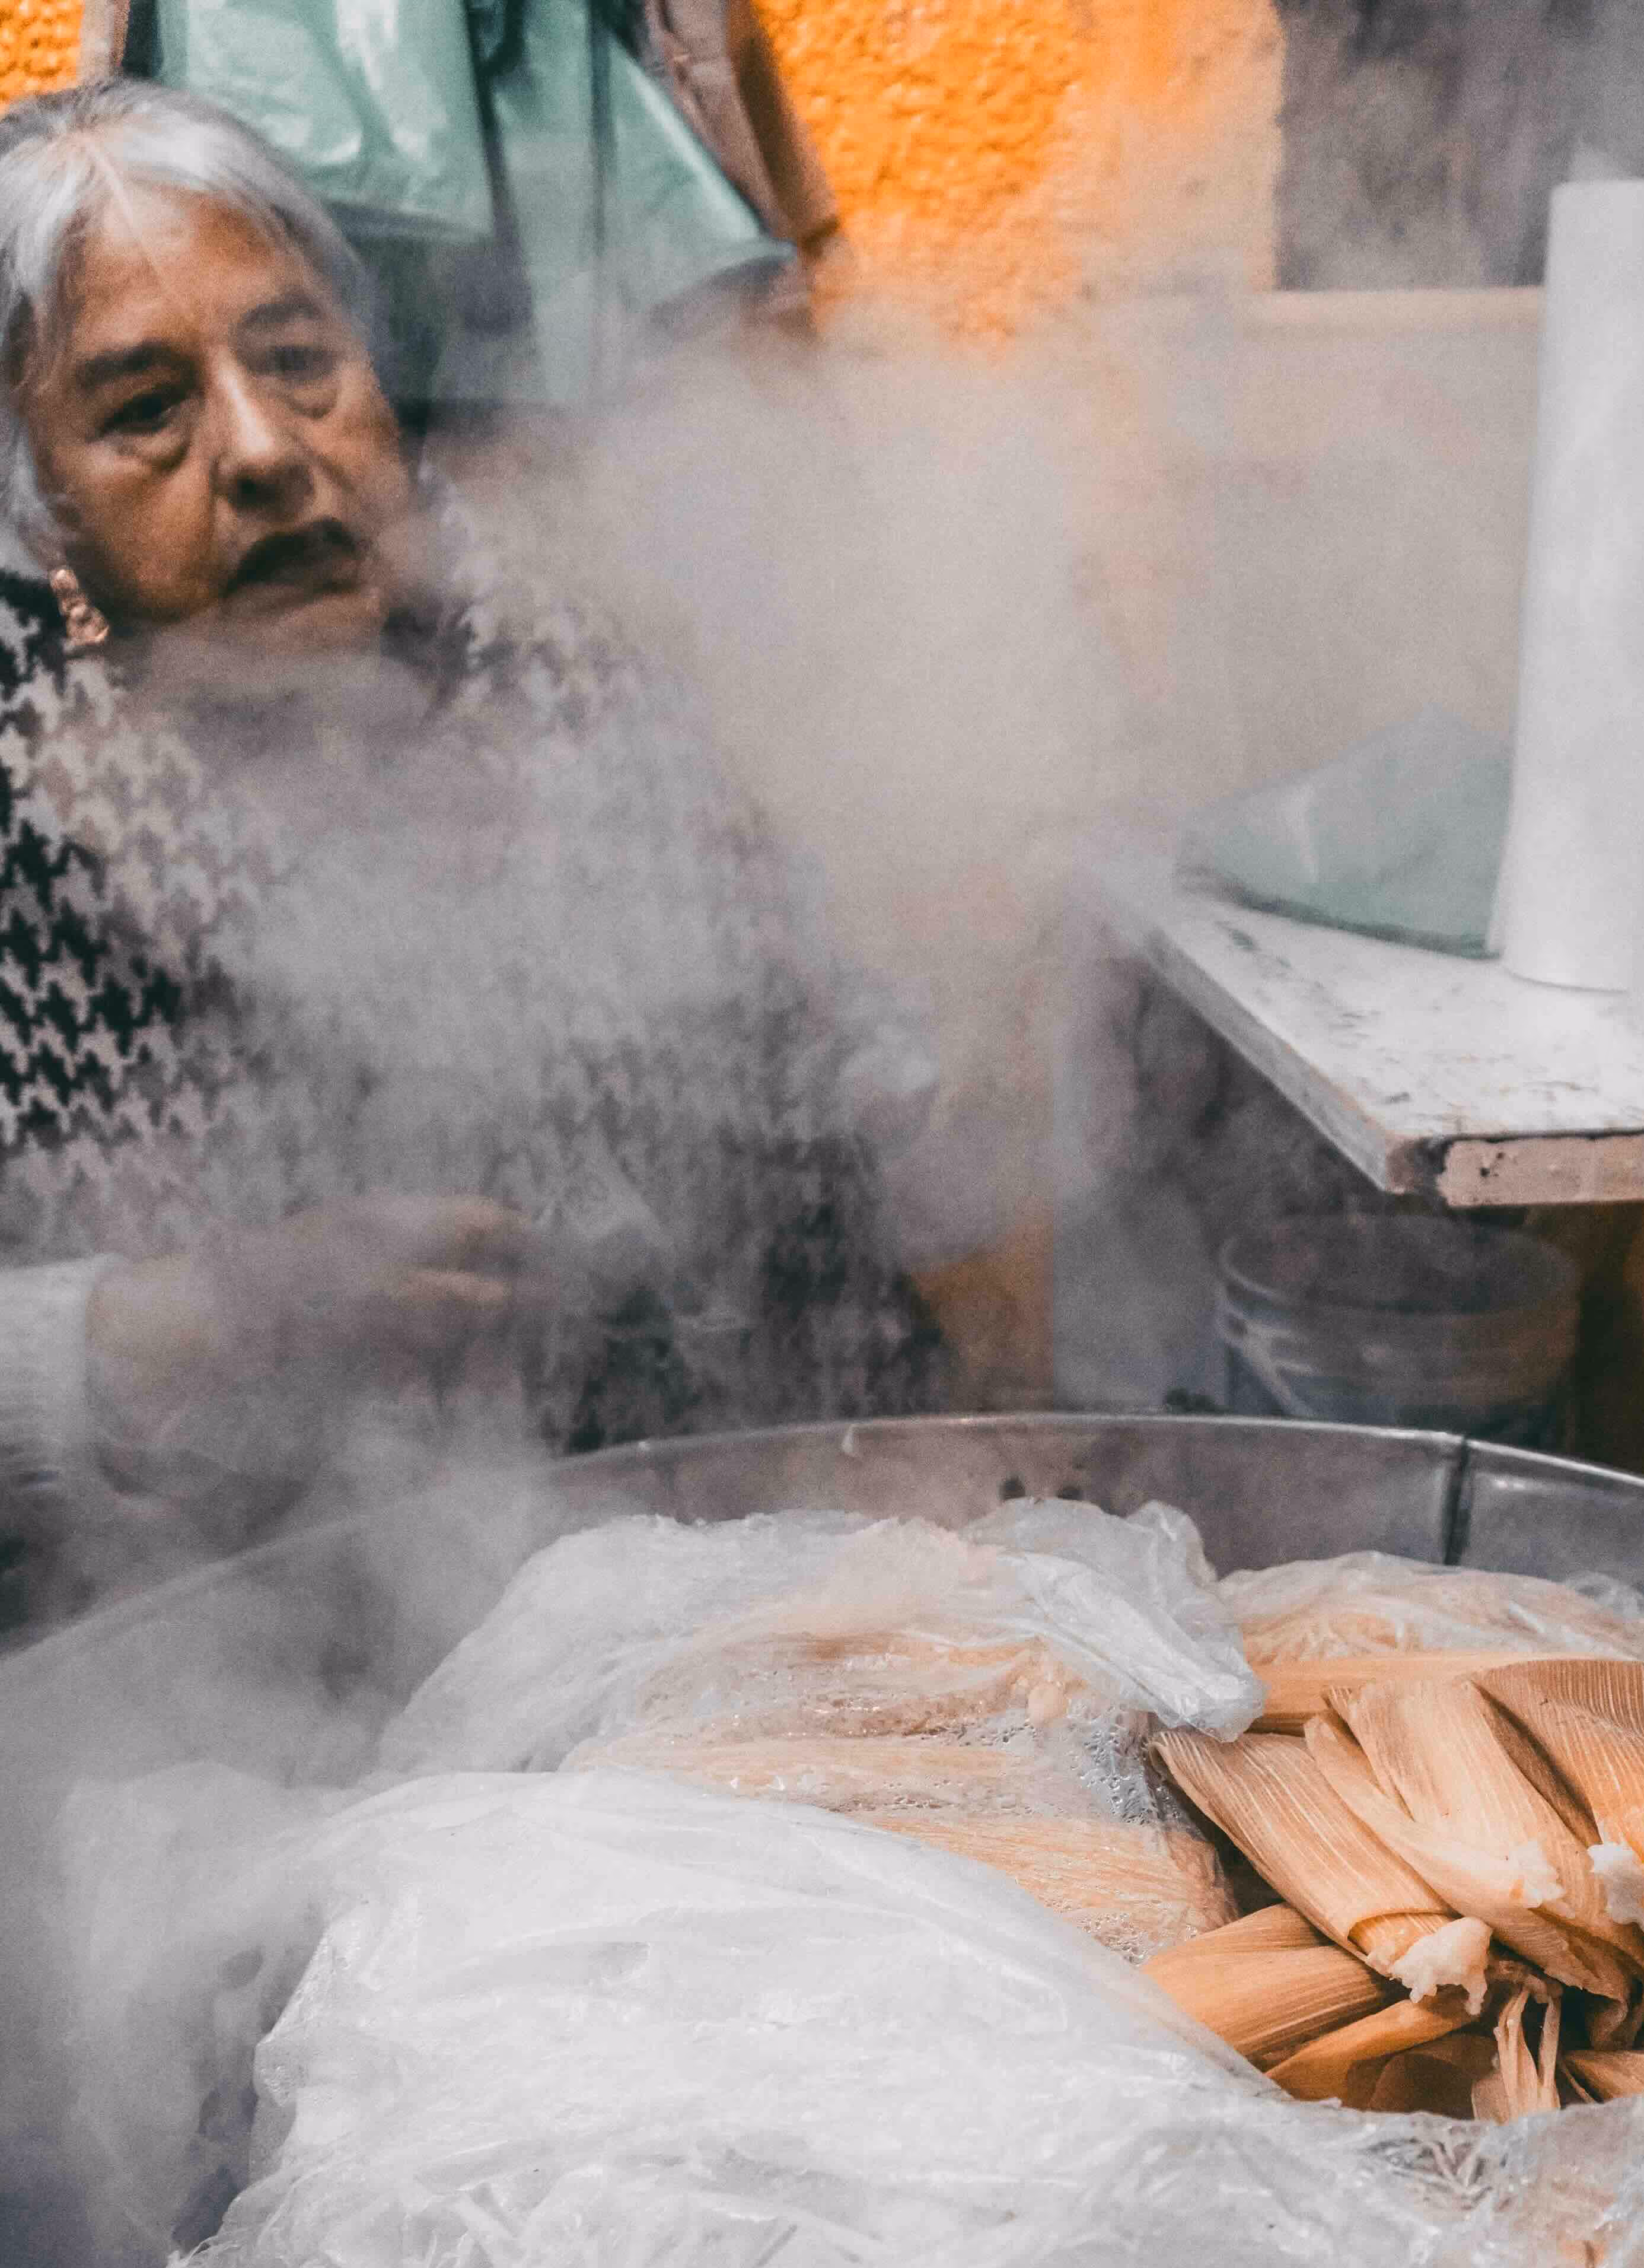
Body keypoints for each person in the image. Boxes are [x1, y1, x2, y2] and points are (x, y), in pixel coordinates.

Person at [0, 77, 943, 1634]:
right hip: (184, 1685)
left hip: (659, 1601)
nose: (262, 451)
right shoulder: (26, 805)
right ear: (39, 520)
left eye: (301, 363)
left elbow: (819, 1186)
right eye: (143, 409)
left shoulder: (568, 675)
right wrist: (189, 1322)